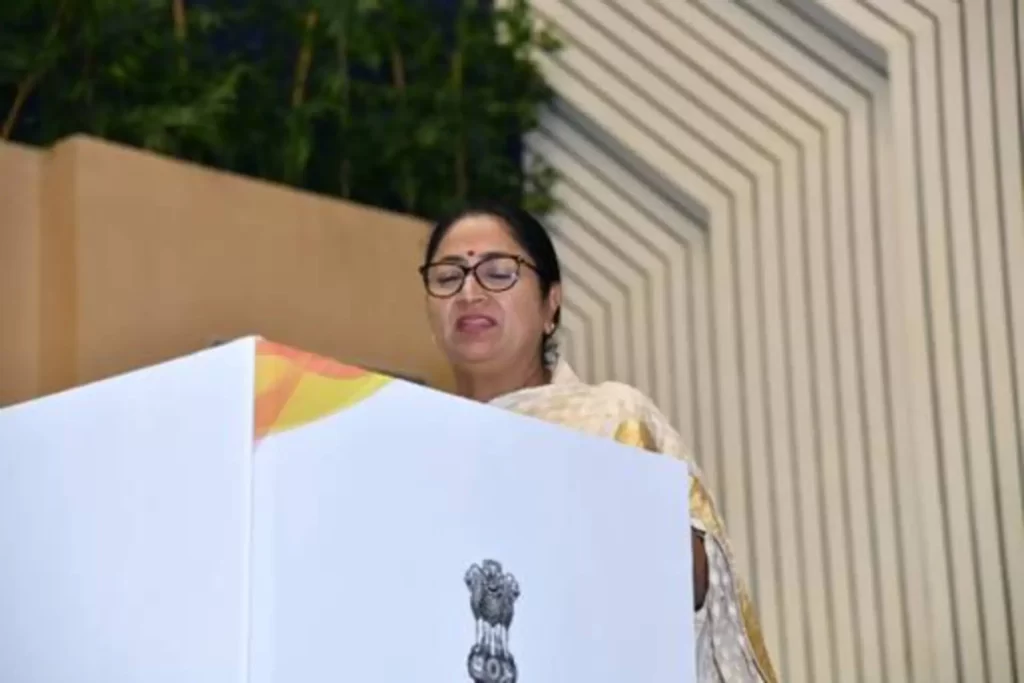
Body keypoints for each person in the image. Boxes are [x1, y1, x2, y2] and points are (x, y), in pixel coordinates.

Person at [419, 202, 777, 683]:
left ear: (551, 303)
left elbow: (692, 588)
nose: (468, 292)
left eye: (498, 273)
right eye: (447, 277)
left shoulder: (609, 418)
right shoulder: (416, 453)